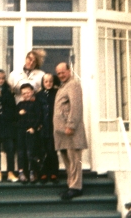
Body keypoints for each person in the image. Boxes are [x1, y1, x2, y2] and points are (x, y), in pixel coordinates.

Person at [53, 62, 88, 200]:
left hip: (70, 131)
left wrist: (71, 125)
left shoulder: (73, 84)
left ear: (69, 70)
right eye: (59, 73)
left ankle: (76, 187)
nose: (61, 75)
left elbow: (76, 107)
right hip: (62, 132)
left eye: (63, 72)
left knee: (75, 160)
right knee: (68, 161)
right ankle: (71, 186)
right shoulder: (63, 86)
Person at [35, 73, 60, 183]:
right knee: (42, 150)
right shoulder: (39, 95)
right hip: (43, 126)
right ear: (43, 83)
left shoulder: (56, 94)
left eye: (50, 81)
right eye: (46, 81)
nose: (48, 83)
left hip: (53, 125)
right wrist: (38, 124)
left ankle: (53, 172)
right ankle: (43, 172)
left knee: (52, 150)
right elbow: (37, 110)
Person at [17, 82, 42, 183]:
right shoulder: (19, 105)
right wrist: (18, 113)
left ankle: (32, 172)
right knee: (21, 152)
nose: (26, 95)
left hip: (31, 132)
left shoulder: (36, 104)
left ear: (32, 92)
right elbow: (14, 118)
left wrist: (34, 128)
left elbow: (39, 117)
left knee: (31, 152)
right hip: (21, 131)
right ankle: (21, 172)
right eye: (23, 93)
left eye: (28, 92)